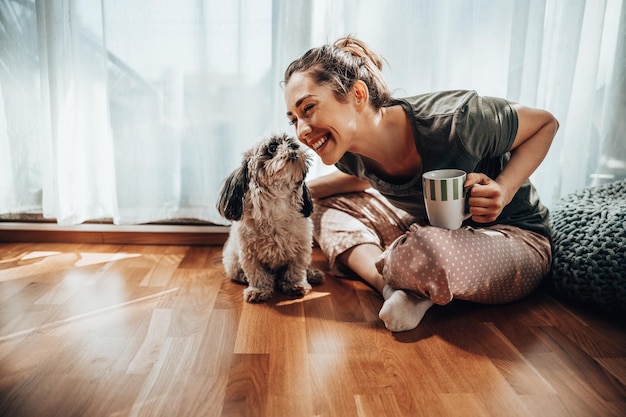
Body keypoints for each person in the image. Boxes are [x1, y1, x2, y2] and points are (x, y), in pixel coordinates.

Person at [283, 36, 559, 332]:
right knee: (320, 207)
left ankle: (411, 273)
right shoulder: (346, 153)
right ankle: (392, 289)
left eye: (308, 108)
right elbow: (364, 178)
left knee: (429, 248)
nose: (301, 131)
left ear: (358, 95)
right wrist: (293, 195)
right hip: (428, 230)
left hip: (513, 239)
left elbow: (545, 124)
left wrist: (504, 189)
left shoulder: (457, 121)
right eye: (294, 119)